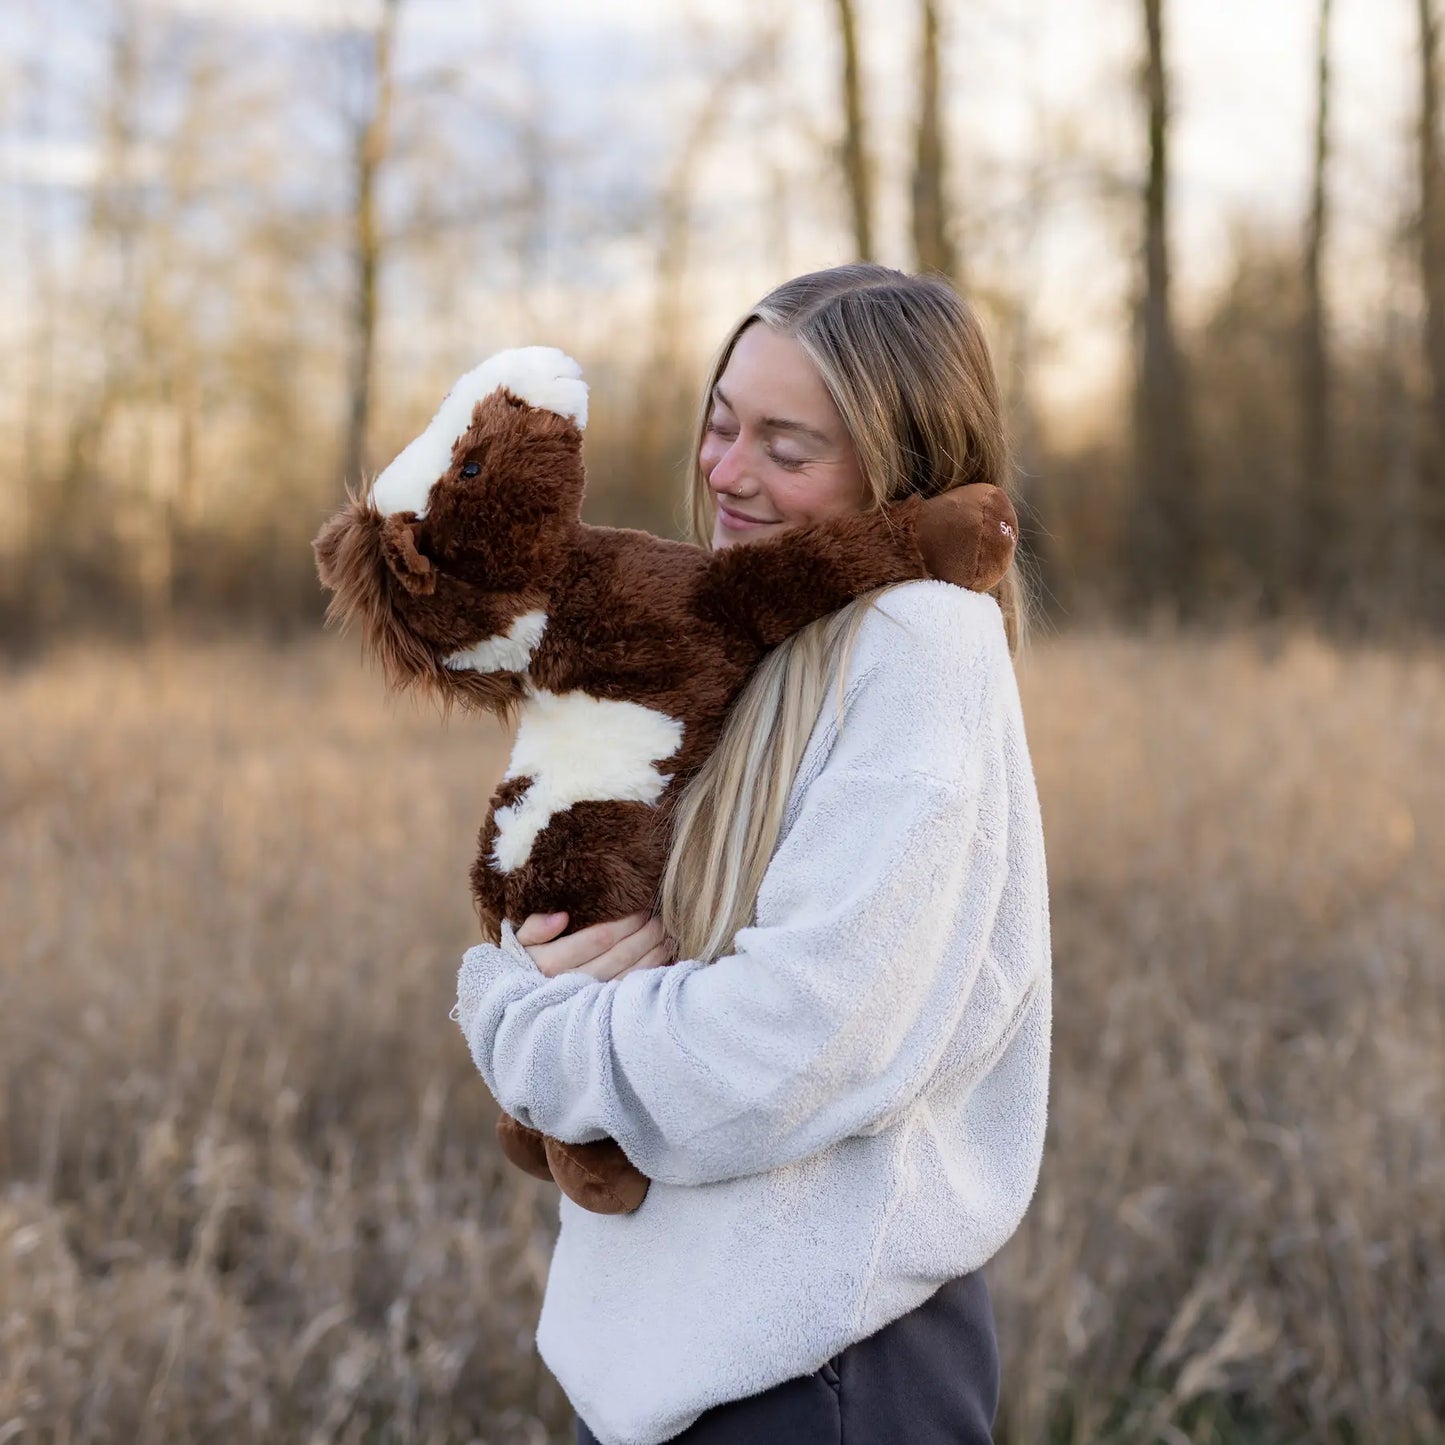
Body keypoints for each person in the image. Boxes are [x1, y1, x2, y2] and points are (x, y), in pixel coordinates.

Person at [451, 263, 1052, 1445]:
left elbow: (791, 1043)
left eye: (787, 445)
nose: (727, 471)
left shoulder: (917, 645)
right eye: (721, 424)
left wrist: (521, 1025)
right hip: (660, 1362)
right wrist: (534, 990)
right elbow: (556, 918)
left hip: (814, 1372)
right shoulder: (732, 632)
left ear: (901, 473)